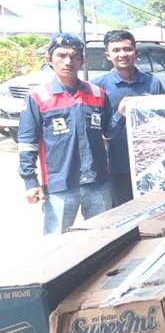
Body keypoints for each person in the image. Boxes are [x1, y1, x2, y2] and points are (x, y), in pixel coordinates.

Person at [18, 33, 113, 234]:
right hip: (59, 184)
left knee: (102, 238)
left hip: (97, 182)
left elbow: (109, 131)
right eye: (61, 55)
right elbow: (27, 142)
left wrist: (122, 115)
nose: (68, 61)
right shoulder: (38, 97)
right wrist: (30, 181)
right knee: (57, 241)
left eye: (74, 56)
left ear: (83, 60)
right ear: (49, 59)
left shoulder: (98, 94)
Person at [91, 30, 165, 207]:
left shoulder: (153, 83)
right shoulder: (98, 87)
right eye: (116, 50)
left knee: (152, 211)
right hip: (116, 167)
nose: (122, 54)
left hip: (149, 164)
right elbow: (98, 132)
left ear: (136, 53)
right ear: (108, 55)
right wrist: (120, 114)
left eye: (127, 49)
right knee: (122, 214)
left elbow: (164, 122)